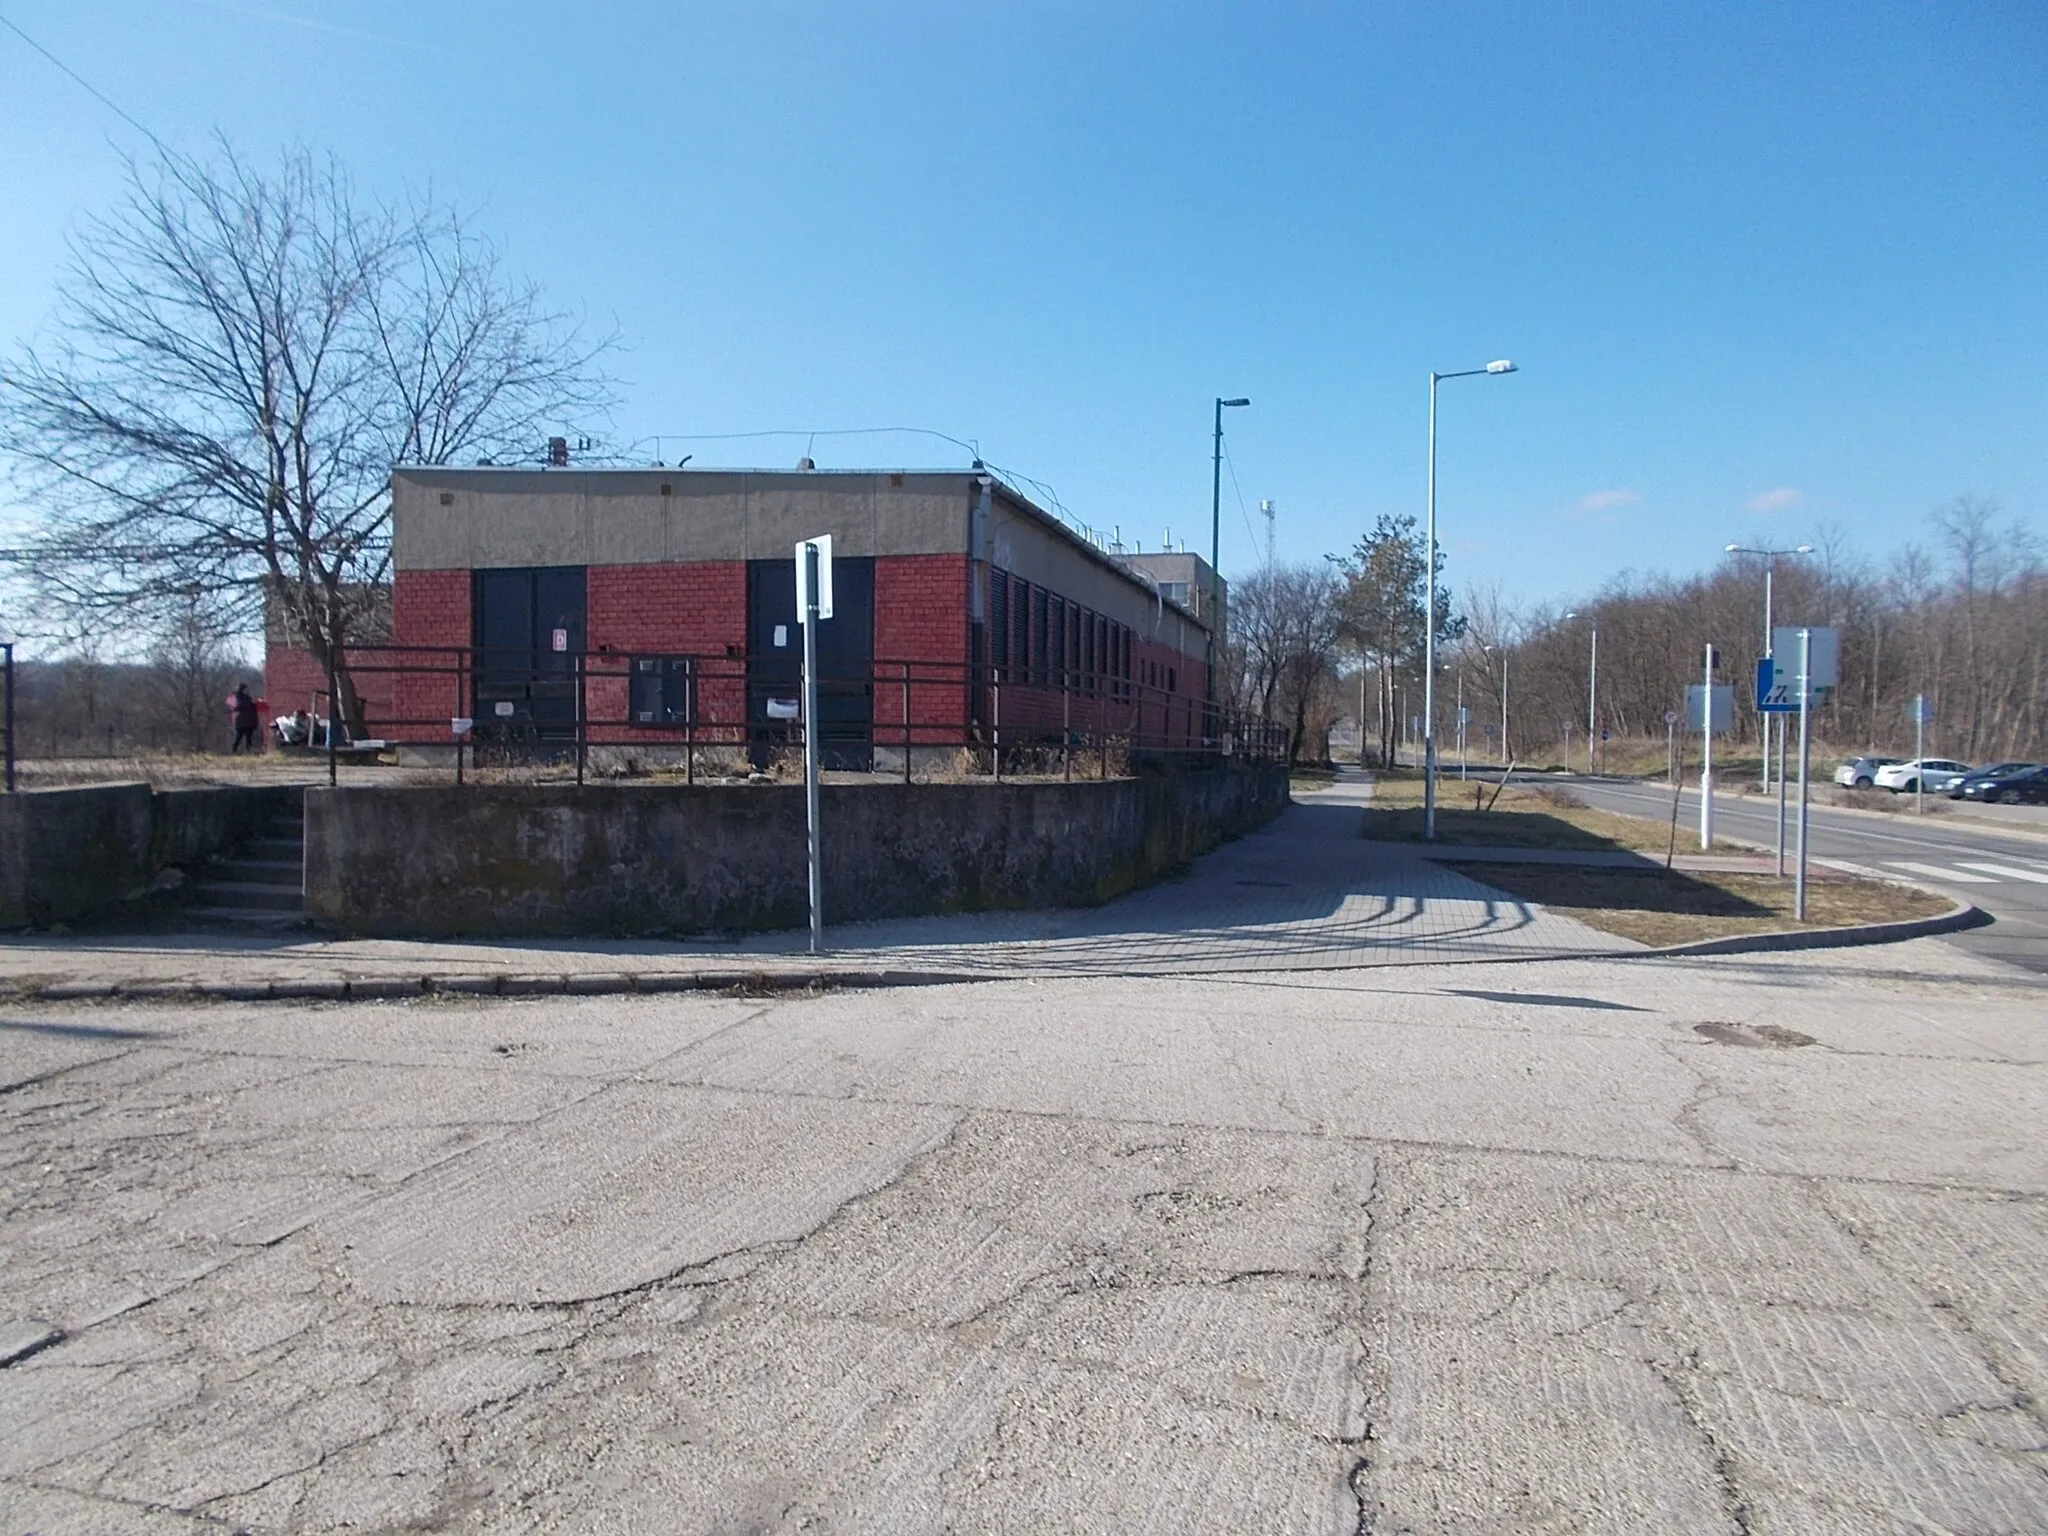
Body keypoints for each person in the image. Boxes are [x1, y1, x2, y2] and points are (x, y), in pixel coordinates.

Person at [229, 683, 260, 754]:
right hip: (241, 720)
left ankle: (249, 750)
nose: (247, 690)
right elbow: (237, 706)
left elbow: (251, 706)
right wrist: (249, 704)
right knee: (239, 736)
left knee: (249, 736)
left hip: (249, 720)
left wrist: (255, 704)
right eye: (245, 689)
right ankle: (234, 750)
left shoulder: (247, 697)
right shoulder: (236, 697)